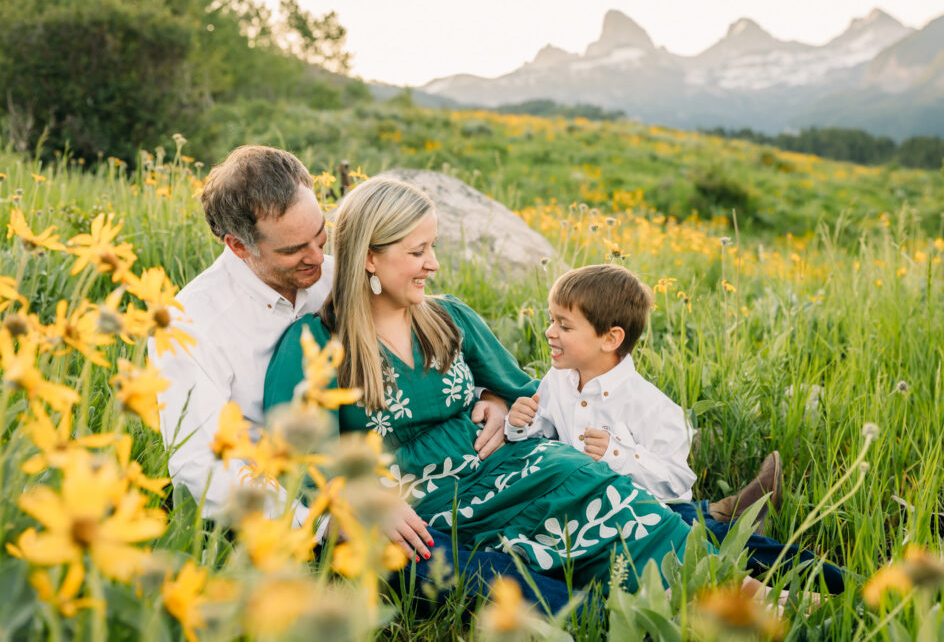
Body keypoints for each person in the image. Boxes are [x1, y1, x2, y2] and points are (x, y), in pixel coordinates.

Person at [264, 175, 751, 593]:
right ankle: (723, 574)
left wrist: (496, 400)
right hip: (424, 500)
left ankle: (756, 588)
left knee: (588, 479)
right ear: (370, 257)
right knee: (590, 501)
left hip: (503, 463)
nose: (432, 263)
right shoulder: (316, 343)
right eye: (418, 251)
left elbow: (527, 391)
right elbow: (295, 457)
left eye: (432, 247)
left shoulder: (447, 317)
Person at [151, 146, 569, 607]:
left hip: (398, 473)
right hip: (287, 500)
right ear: (237, 246)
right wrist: (325, 520)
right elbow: (198, 465)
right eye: (293, 250)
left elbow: (430, 333)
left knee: (508, 503)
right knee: (440, 563)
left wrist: (490, 394)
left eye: (320, 236)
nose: (316, 257)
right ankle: (584, 612)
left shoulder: (335, 277)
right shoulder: (192, 326)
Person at [505, 264, 848, 593]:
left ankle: (847, 586)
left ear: (610, 339)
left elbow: (678, 483)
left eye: (564, 326)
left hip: (655, 515)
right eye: (551, 320)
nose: (549, 331)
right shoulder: (558, 381)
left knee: (727, 544)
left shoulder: (652, 407)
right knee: (712, 535)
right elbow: (543, 437)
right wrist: (521, 424)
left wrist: (618, 455)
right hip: (591, 518)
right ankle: (734, 510)